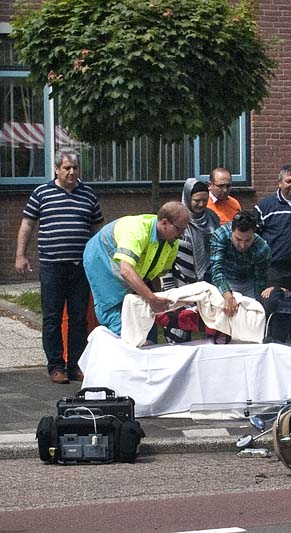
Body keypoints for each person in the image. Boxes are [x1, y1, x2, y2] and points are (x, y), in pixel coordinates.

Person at [15, 149, 104, 384]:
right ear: (56, 169)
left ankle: (75, 365)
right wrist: (20, 255)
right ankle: (56, 366)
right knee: (52, 318)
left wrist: (100, 261)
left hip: (80, 267)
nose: (72, 172)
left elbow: (97, 229)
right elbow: (27, 225)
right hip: (52, 266)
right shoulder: (41, 193)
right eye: (67, 168)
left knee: (79, 318)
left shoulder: (88, 194)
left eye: (75, 168)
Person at [83, 201, 190, 336]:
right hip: (100, 257)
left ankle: (145, 345)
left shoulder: (172, 242)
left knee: (145, 311)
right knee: (113, 309)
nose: (182, 234)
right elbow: (126, 270)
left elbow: (157, 278)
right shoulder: (137, 230)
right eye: (179, 229)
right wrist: (151, 298)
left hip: (132, 269)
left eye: (185, 229)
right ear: (164, 223)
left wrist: (157, 301)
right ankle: (123, 342)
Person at [160, 178, 220, 343]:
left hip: (208, 281)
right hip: (181, 280)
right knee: (178, 328)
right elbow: (165, 258)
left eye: (204, 200)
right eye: (196, 200)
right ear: (187, 198)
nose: (201, 204)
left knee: (212, 330)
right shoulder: (177, 220)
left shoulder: (213, 218)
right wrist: (170, 289)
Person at [209, 211, 272, 317]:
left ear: (254, 233)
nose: (242, 245)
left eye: (248, 240)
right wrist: (227, 294)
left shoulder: (262, 249)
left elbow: (260, 280)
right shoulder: (220, 235)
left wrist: (257, 305)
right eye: (238, 239)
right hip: (224, 278)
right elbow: (216, 269)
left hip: (248, 283)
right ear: (231, 231)